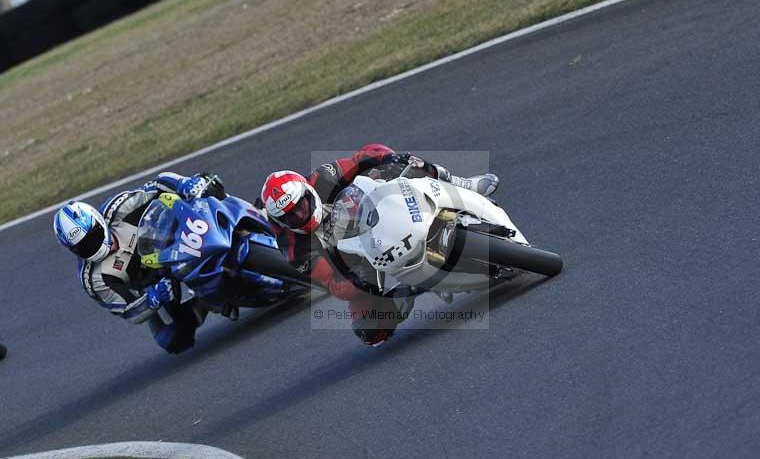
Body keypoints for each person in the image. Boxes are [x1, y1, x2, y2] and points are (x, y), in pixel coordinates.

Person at [258, 143, 499, 346]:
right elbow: (332, 282)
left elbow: (362, 158)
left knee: (406, 165)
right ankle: (409, 285)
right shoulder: (293, 248)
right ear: (280, 221)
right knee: (370, 330)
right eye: (291, 215)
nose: (300, 214)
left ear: (308, 190)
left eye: (302, 204)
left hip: (376, 208)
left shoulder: (325, 176)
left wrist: (391, 159)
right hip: (360, 262)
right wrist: (357, 280)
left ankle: (461, 184)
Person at [53, 172, 229, 354]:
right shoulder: (93, 278)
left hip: (176, 236)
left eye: (93, 236)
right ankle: (205, 303)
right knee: (174, 340)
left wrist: (184, 184)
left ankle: (250, 214)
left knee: (207, 183)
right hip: (157, 281)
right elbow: (129, 311)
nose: (92, 246)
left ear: (98, 221)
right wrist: (154, 297)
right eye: (83, 247)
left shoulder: (118, 208)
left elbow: (157, 185)